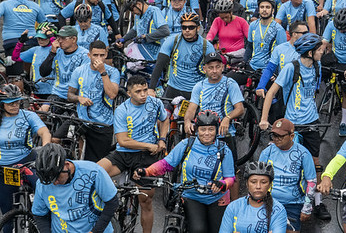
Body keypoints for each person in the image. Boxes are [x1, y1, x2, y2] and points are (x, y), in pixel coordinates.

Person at [257, 33, 329, 219]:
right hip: (292, 122)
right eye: (319, 49)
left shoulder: (316, 65)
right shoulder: (291, 67)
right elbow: (271, 92)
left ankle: (318, 203)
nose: (322, 51)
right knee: (289, 161)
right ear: (310, 52)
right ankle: (278, 200)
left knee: (315, 163)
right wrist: (264, 119)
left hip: (311, 120)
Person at [135, 110, 235, 233]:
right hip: (192, 196)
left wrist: (222, 184)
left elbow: (230, 178)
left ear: (217, 130)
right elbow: (166, 164)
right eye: (203, 130)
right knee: (198, 230)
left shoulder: (224, 150)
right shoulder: (187, 145)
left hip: (217, 199)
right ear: (197, 130)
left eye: (211, 129)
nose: (207, 133)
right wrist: (146, 172)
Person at [98, 75, 169, 233]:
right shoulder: (122, 110)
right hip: (124, 154)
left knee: (145, 201)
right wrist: (149, 145)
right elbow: (123, 141)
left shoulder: (155, 103)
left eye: (145, 90)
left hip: (146, 158)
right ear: (129, 93)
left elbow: (164, 119)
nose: (143, 94)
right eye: (138, 91)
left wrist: (162, 139)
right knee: (96, 172)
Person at [33, 143, 119, 233]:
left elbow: (112, 203)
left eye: (57, 177)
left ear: (66, 165)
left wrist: (96, 231)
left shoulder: (94, 171)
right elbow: (40, 215)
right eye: (50, 180)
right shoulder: (43, 184)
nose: (54, 183)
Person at [0, 84, 51, 218]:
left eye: (17, 102)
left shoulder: (28, 115)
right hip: (4, 167)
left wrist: (45, 150)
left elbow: (44, 132)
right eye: (10, 103)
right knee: (7, 211)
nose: (15, 106)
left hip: (27, 161)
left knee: (43, 189)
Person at [258, 118, 317, 232]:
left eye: (280, 136)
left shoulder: (303, 154)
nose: (276, 139)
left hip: (293, 205)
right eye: (274, 135)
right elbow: (257, 178)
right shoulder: (267, 152)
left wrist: (307, 208)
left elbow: (311, 181)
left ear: (292, 136)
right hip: (269, 202)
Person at [66, 40, 119, 161]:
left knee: (97, 162)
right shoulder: (79, 71)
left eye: (102, 55)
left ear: (106, 54)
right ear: (89, 55)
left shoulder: (113, 72)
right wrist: (79, 98)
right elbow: (70, 95)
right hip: (82, 119)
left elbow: (112, 94)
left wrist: (102, 71)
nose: (99, 58)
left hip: (102, 123)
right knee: (57, 138)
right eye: (95, 55)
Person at [149, 12, 214, 99]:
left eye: (191, 27)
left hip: (195, 91)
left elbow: (214, 70)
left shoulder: (206, 46)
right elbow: (159, 65)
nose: (187, 30)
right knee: (164, 112)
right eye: (184, 27)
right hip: (173, 89)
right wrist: (151, 88)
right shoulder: (172, 41)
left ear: (198, 28)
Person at [219, 161, 288, 233]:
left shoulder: (278, 210)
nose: (258, 186)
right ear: (247, 184)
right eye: (253, 182)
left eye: (263, 182)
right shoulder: (233, 207)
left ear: (270, 185)